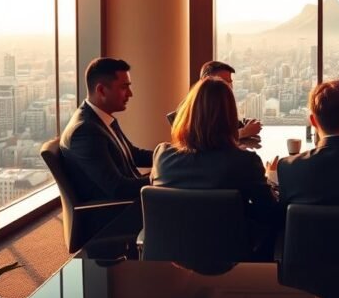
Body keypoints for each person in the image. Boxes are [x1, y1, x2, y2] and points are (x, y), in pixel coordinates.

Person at [151, 77, 277, 223]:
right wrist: (270, 178)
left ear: (187, 113)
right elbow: (271, 214)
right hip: (228, 245)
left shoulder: (163, 156)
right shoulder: (245, 163)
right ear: (230, 117)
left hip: (168, 244)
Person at [60, 58, 153, 202]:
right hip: (114, 213)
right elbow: (118, 189)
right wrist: (162, 179)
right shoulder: (85, 131)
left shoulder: (101, 119)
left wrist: (172, 155)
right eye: (124, 87)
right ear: (101, 90)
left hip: (130, 203)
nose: (130, 94)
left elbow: (132, 155)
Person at [168, 60, 262, 139]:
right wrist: (245, 132)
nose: (229, 86)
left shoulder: (221, 105)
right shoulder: (193, 110)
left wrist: (246, 125)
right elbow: (207, 141)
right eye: (223, 81)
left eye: (230, 81)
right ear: (206, 81)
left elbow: (230, 127)